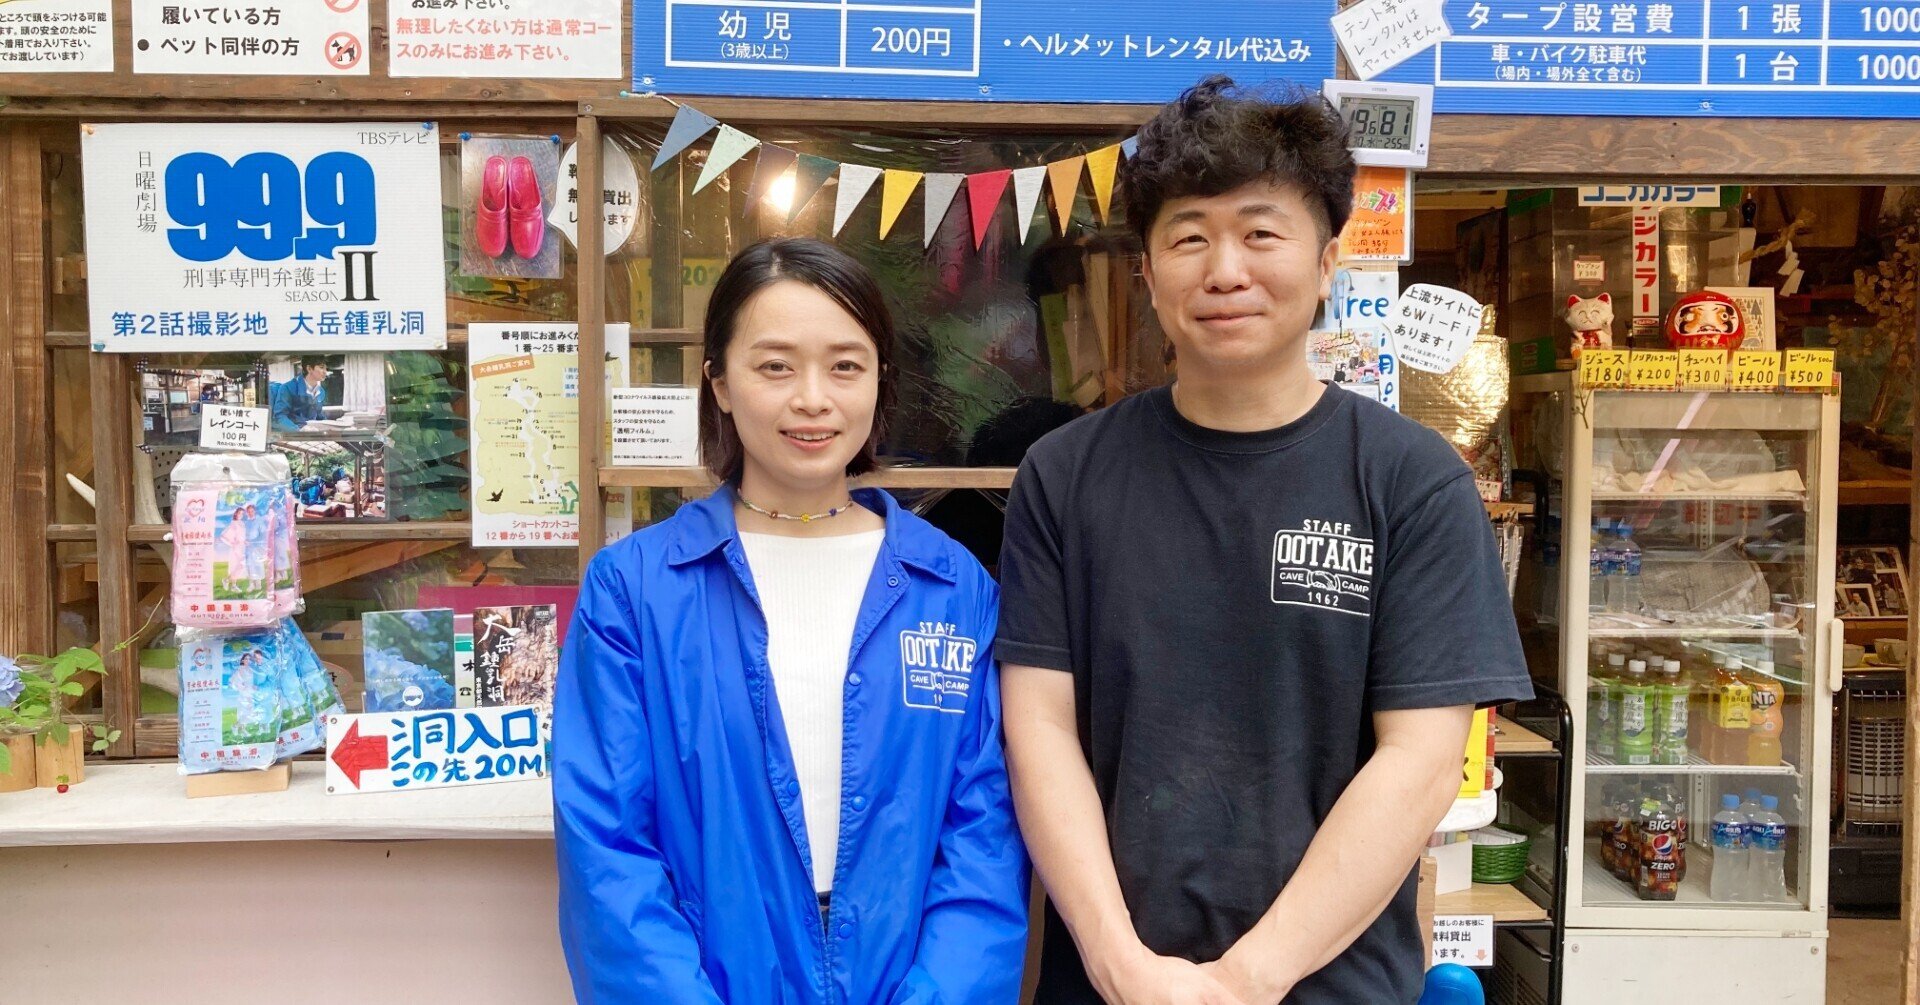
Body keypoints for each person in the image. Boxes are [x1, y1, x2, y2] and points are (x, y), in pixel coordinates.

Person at [997, 77, 1535, 1005]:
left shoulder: (1412, 480)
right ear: (1148, 273)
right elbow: (1039, 725)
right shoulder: (1065, 473)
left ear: (1327, 263)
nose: (1225, 269)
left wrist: (1250, 977)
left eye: (1260, 232)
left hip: (1332, 983)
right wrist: (1119, 960)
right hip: (1111, 981)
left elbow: (1419, 759)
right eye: (1189, 236)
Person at [553, 237, 1029, 1004]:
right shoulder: (636, 590)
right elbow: (608, 848)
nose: (813, 398)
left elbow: (983, 837)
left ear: (881, 381)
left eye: (846, 365)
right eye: (775, 365)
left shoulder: (951, 588)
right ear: (719, 382)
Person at [270, 358, 330, 432]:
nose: (325, 372)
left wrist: (331, 426)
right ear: (309, 368)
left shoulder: (321, 391)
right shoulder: (288, 388)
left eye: (326, 368)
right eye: (321, 367)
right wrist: (298, 430)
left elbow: (319, 416)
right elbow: (279, 417)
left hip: (312, 433)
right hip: (292, 434)